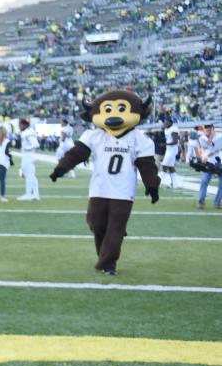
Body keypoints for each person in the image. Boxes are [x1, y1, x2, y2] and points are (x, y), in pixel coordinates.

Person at [50, 89, 160, 275]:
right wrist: (61, 168)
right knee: (96, 223)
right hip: (99, 188)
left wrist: (152, 185)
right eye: (108, 110)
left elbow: (147, 165)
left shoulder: (140, 139)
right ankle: (106, 252)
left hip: (123, 190)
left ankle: (108, 263)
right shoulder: (94, 135)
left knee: (115, 227)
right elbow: (77, 154)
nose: (114, 116)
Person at [195, 123, 222, 209]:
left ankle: (217, 202)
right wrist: (211, 136)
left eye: (209, 127)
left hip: (220, 162)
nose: (207, 129)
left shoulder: (219, 136)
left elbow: (216, 149)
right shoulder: (202, 138)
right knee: (204, 181)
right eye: (206, 127)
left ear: (213, 128)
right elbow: (206, 145)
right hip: (209, 163)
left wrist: (207, 156)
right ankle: (201, 201)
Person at [18, 118, 41, 200]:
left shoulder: (28, 133)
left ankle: (28, 194)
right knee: (32, 176)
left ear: (25, 125)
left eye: (20, 125)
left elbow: (36, 144)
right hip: (29, 156)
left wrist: (27, 148)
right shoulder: (27, 132)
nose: (19, 126)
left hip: (28, 156)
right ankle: (36, 194)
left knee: (28, 175)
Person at [161, 118, 181, 188]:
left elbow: (175, 141)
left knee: (164, 165)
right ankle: (175, 184)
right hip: (169, 149)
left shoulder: (173, 129)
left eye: (166, 122)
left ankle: (157, 182)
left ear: (170, 122)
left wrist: (165, 144)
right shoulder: (167, 129)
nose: (165, 123)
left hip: (172, 150)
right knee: (170, 167)